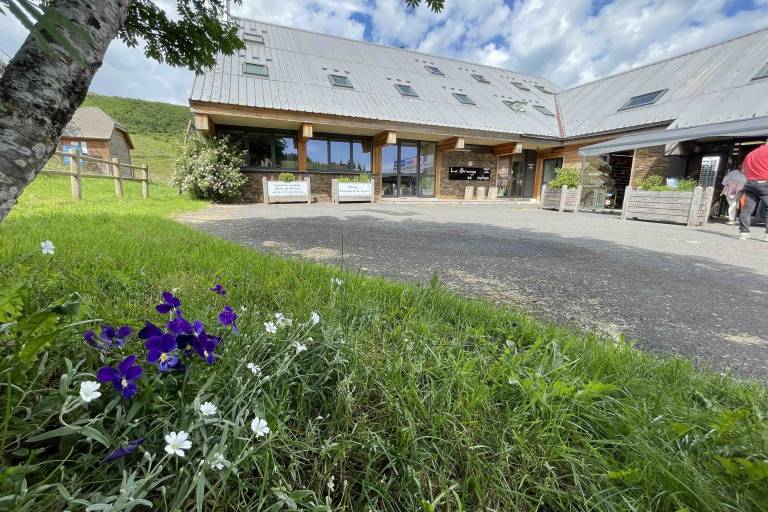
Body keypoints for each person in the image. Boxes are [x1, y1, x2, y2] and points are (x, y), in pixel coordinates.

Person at [738, 143, 768, 240]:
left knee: (747, 209)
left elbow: (743, 171)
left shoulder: (750, 154)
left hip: (750, 184)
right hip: (765, 183)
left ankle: (743, 233)